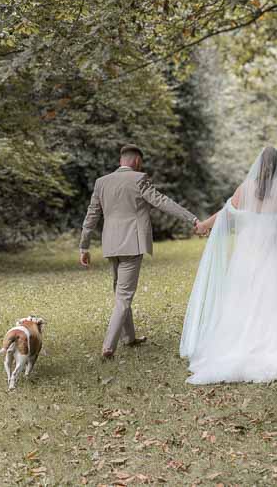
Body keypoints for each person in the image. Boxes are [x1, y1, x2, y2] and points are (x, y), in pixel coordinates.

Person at [180, 146, 277, 384]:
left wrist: (204, 226)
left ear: (258, 166)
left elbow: (226, 213)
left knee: (246, 295)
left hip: (248, 251)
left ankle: (242, 343)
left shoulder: (245, 188)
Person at [80, 144, 205, 360]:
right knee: (124, 296)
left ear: (122, 160)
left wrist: (84, 246)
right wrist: (192, 218)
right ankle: (108, 346)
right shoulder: (139, 179)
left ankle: (129, 337)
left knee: (120, 292)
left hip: (111, 245)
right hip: (132, 244)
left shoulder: (102, 182)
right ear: (137, 161)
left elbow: (92, 215)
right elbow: (163, 202)